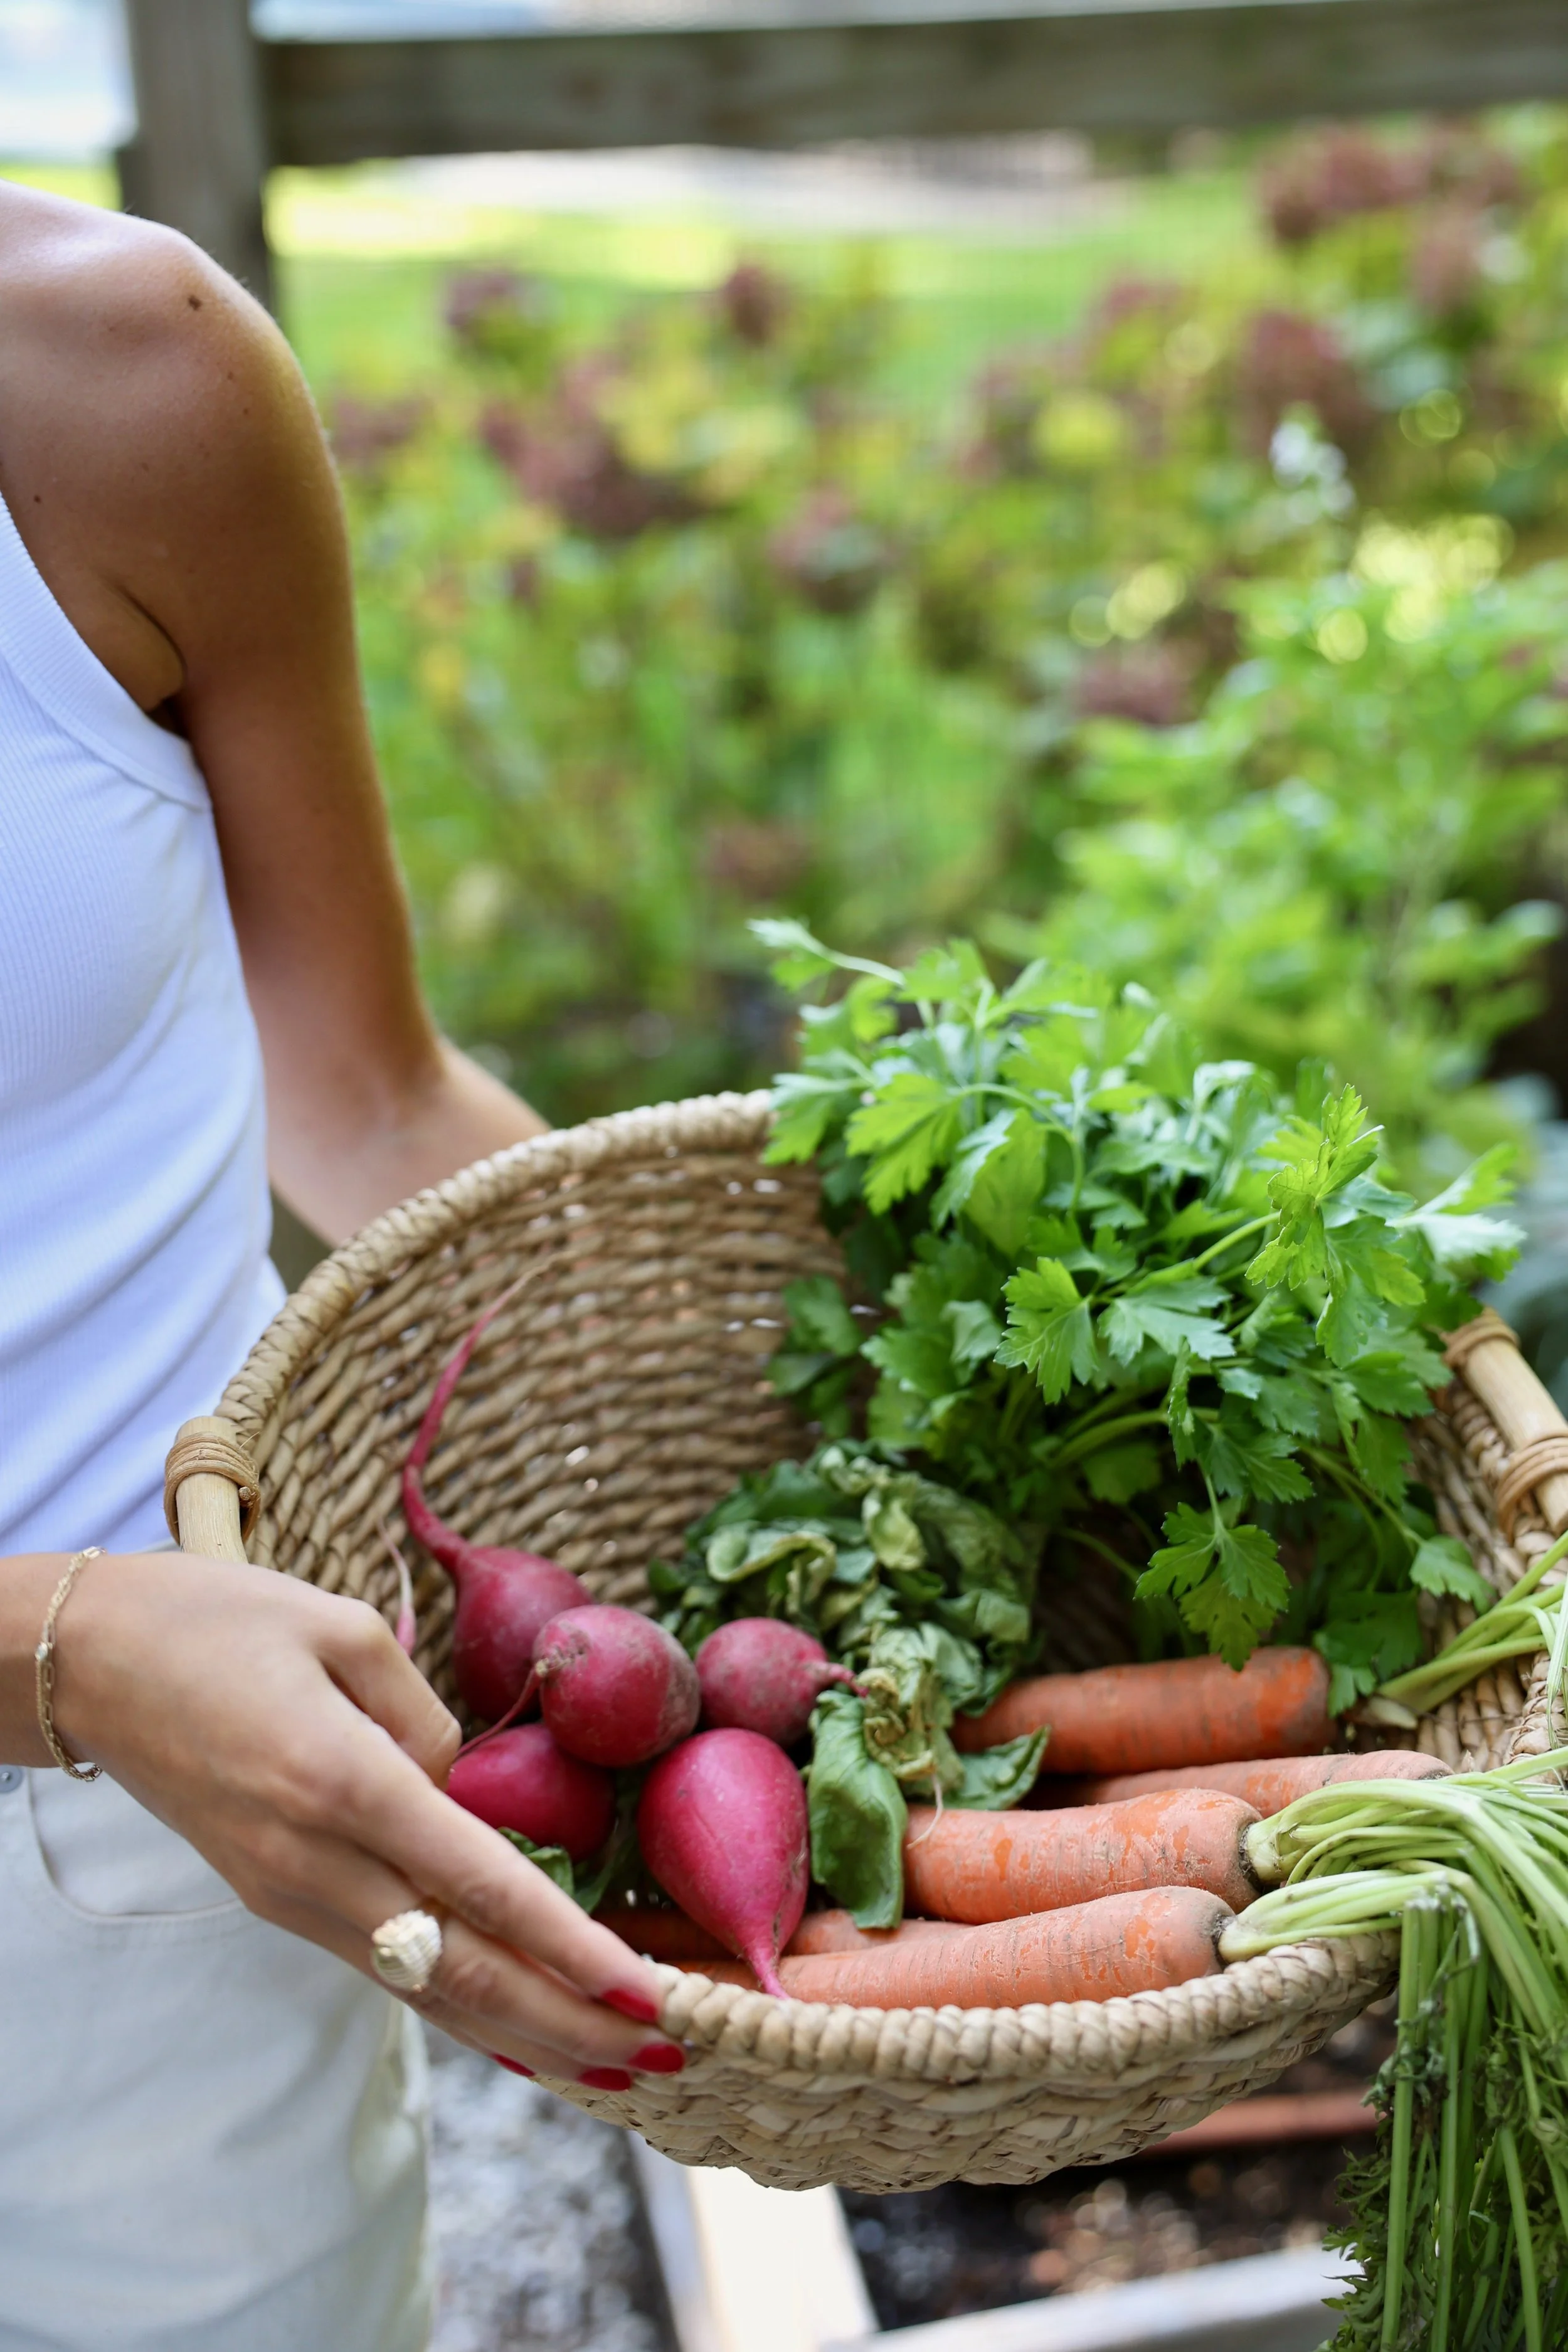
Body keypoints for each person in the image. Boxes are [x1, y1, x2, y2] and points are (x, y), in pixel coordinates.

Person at [0, 177, 679, 2352]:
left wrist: (801, 1394)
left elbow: (362, 1088)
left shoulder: (114, 380)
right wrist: (67, 1646)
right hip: (129, 1711)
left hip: (158, 1870)